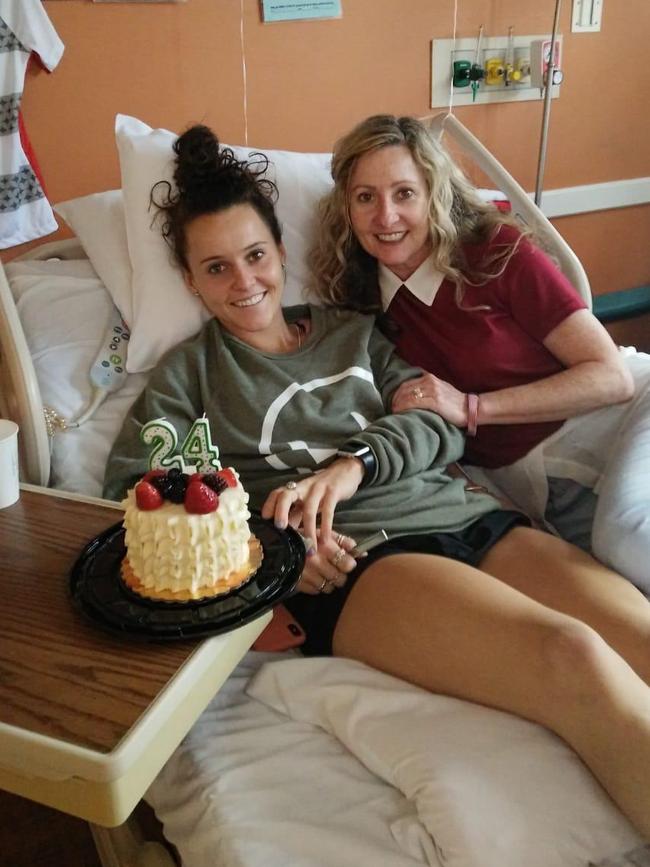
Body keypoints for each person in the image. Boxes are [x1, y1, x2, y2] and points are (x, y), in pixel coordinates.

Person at [104, 124, 650, 839]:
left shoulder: (354, 330)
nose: (244, 283)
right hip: (364, 559)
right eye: (216, 268)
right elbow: (139, 493)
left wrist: (353, 461)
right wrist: (270, 553)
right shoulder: (188, 378)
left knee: (638, 635)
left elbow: (438, 421)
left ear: (280, 251)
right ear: (188, 280)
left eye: (256, 255)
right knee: (569, 654)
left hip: (460, 508)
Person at [311, 113, 650, 592]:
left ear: (434, 194)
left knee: (625, 538)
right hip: (541, 478)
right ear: (346, 208)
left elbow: (610, 377)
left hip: (621, 414)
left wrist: (471, 407)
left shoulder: (494, 253)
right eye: (366, 197)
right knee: (609, 592)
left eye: (404, 193)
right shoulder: (360, 305)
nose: (385, 217)